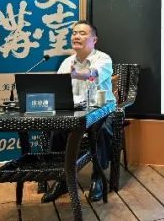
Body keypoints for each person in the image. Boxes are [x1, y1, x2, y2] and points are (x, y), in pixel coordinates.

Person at [40, 20, 115, 203]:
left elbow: (93, 74)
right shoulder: (66, 62)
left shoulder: (103, 59)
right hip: (74, 111)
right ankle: (62, 179)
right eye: (74, 33)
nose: (76, 36)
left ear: (94, 40)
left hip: (101, 109)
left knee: (102, 130)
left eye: (82, 33)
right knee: (57, 130)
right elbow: (58, 89)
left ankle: (98, 177)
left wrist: (77, 74)